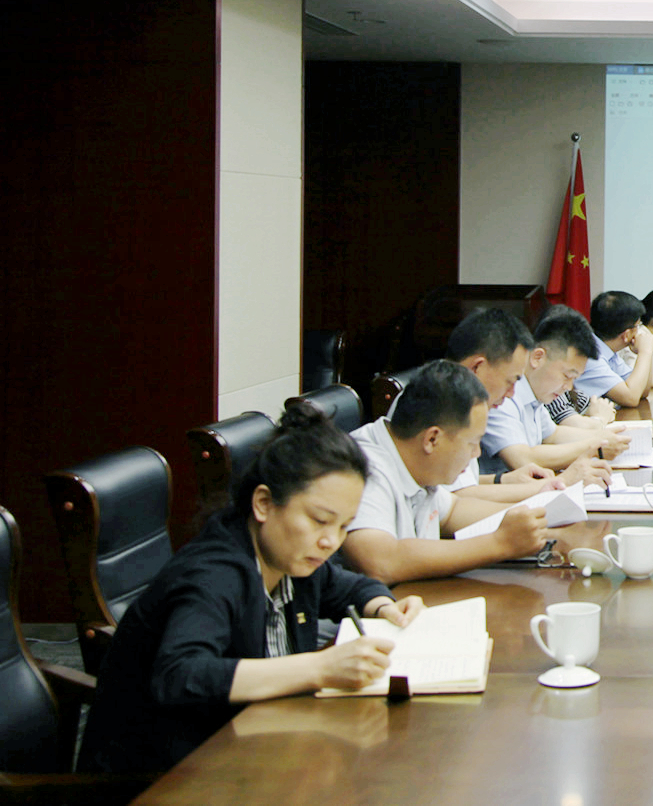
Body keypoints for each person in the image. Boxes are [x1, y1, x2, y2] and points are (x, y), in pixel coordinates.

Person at [79, 404, 422, 772]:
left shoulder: (293, 557)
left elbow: (346, 587)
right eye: (320, 520)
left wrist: (383, 606)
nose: (330, 542)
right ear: (263, 504)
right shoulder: (214, 575)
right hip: (163, 776)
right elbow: (180, 675)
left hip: (251, 749)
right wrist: (321, 667)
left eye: (343, 526)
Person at [340, 360, 555, 585]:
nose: (476, 453)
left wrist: (538, 515)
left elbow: (452, 511)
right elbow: (379, 562)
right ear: (432, 439)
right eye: (472, 443)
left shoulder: (417, 461)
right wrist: (499, 543)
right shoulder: (362, 466)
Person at [439, 308, 611, 504]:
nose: (512, 392)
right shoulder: (443, 405)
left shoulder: (463, 400)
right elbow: (457, 500)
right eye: (509, 381)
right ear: (477, 367)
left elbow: (454, 489)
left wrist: (502, 480)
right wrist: (561, 482)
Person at [485, 305, 634, 473]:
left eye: (574, 379)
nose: (569, 387)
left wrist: (606, 436)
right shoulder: (503, 395)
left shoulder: (535, 392)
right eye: (567, 376)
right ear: (537, 357)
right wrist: (595, 446)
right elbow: (523, 459)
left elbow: (553, 435)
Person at [546, 290, 653, 423]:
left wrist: (648, 351)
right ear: (627, 334)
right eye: (637, 326)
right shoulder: (590, 355)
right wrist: (645, 351)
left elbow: (642, 391)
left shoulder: (609, 352)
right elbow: (631, 397)